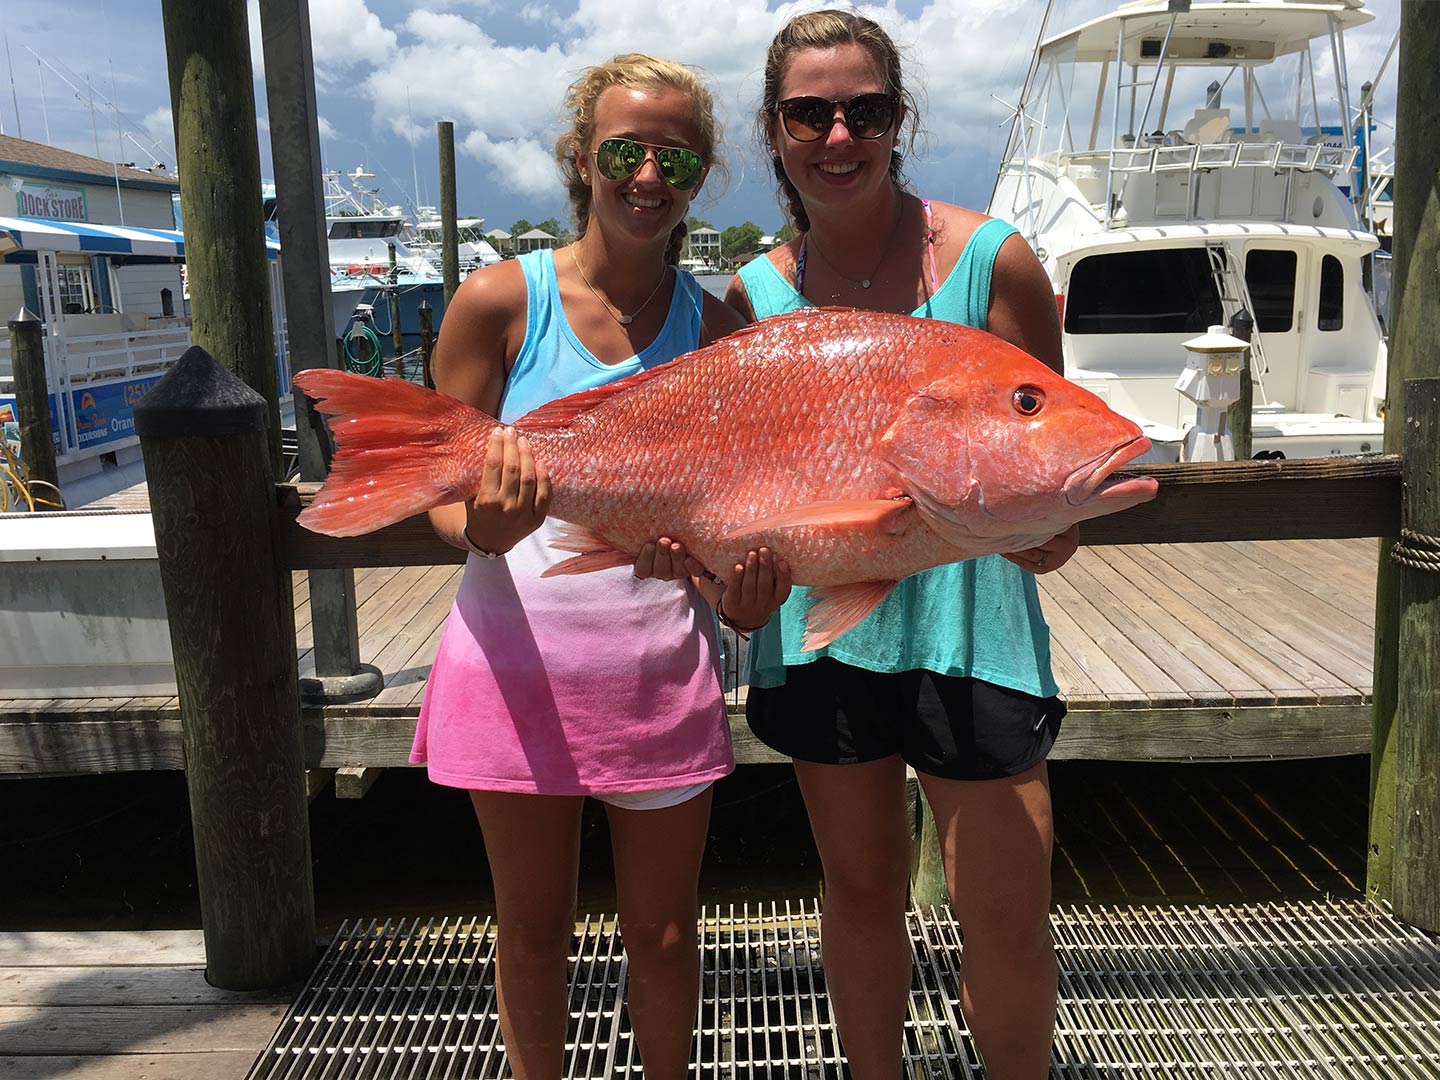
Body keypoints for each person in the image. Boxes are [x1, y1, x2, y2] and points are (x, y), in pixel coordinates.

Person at [415, 54, 789, 1080]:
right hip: (513, 672)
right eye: (623, 150)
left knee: (666, 938)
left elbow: (724, 530)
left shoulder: (720, 334)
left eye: (676, 157)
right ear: (581, 160)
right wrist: (482, 530)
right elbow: (442, 500)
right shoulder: (497, 302)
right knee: (531, 934)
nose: (647, 176)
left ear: (703, 175)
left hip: (658, 676)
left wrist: (741, 593)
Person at [724, 11, 1078, 1080]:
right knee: (863, 891)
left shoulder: (995, 262)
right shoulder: (754, 295)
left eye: (865, 110)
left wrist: (1034, 524)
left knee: (1008, 911)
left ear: (899, 120)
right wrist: (734, 585)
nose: (839, 136)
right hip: (827, 632)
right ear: (775, 132)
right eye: (809, 113)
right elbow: (742, 494)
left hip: (977, 635)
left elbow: (1049, 456)